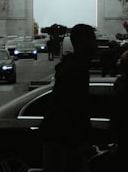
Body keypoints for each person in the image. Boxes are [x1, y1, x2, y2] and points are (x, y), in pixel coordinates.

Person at [41, 24, 96, 172]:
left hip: (60, 137)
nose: (96, 43)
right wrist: (81, 141)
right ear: (84, 42)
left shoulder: (74, 66)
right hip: (63, 141)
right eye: (93, 39)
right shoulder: (76, 70)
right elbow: (70, 108)